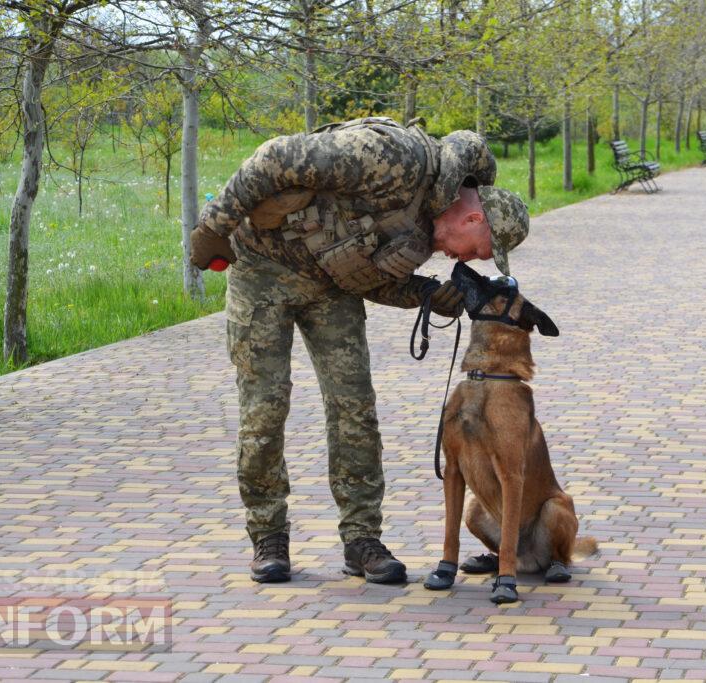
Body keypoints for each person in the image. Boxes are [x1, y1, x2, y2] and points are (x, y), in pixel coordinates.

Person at [189, 116, 529, 584]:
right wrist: (213, 226)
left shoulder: (425, 228)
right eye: (479, 250)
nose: (466, 260)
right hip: (262, 268)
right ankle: (268, 536)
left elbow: (366, 277)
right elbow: (275, 157)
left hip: (330, 289)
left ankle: (362, 540)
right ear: (473, 218)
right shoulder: (395, 160)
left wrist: (424, 294)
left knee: (355, 406)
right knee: (265, 408)